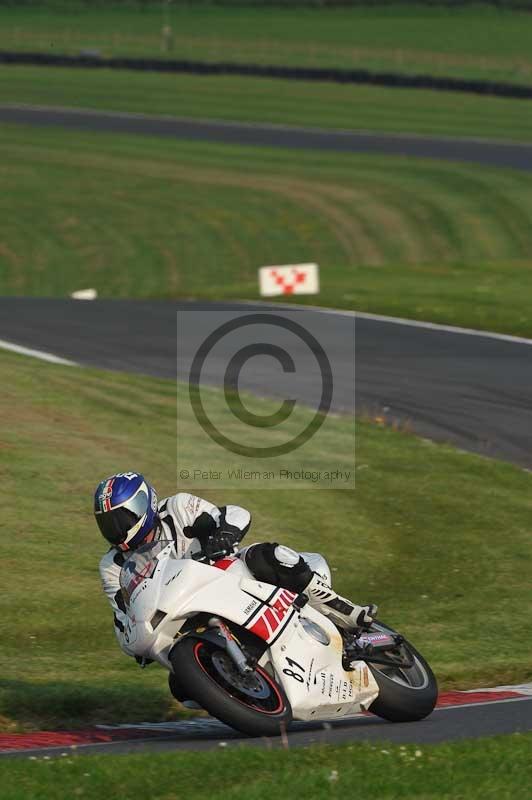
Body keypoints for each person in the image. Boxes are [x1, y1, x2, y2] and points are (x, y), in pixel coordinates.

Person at [95, 472, 376, 657]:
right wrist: (136, 642)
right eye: (107, 524)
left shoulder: (178, 508)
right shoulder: (112, 566)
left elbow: (233, 514)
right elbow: (123, 618)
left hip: (227, 574)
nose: (117, 530)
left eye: (122, 519)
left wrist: (224, 535)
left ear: (144, 504)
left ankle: (346, 611)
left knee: (265, 556)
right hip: (183, 615)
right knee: (181, 687)